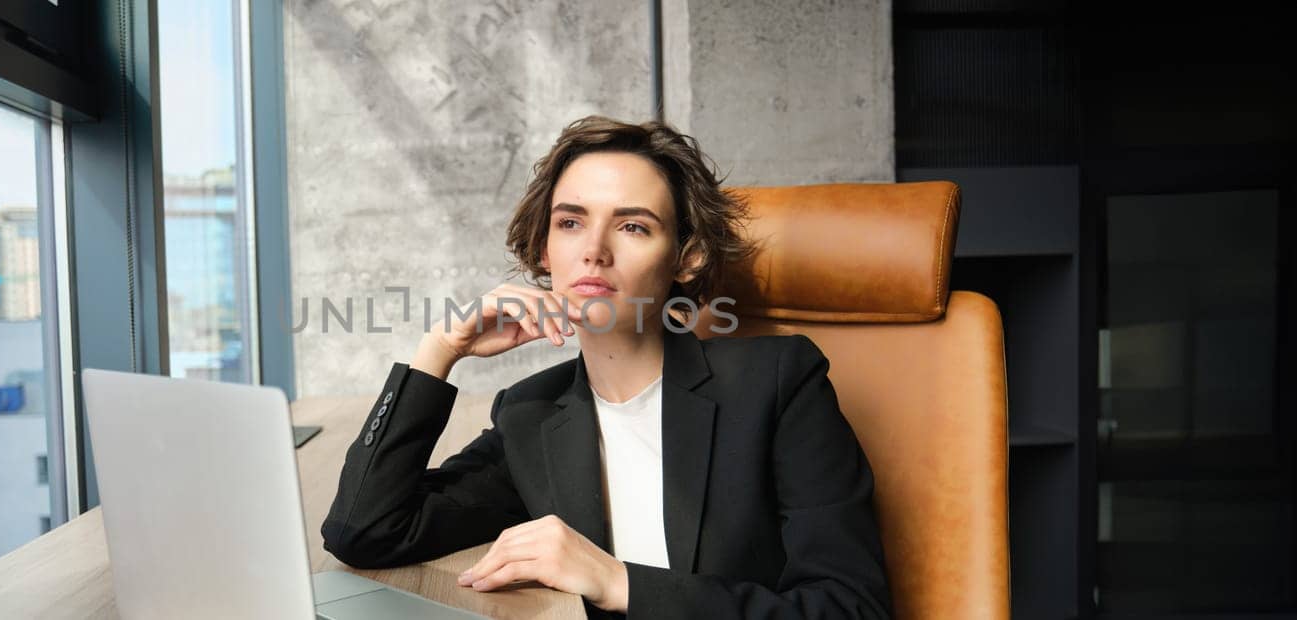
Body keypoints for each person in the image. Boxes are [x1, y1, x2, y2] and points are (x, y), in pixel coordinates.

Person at [321, 116, 891, 618]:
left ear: (687, 257)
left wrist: (615, 581)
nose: (594, 248)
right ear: (544, 251)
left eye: (633, 226)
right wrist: (440, 350)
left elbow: (850, 607)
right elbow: (365, 531)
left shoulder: (775, 383)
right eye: (570, 223)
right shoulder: (531, 414)